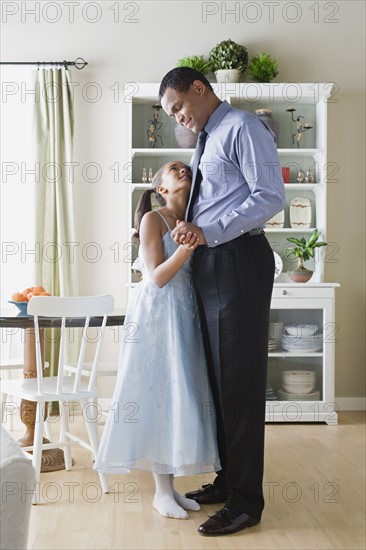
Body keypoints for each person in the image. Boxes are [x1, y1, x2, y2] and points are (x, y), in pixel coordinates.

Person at [159, 67, 286, 536]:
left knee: (240, 384)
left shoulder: (244, 128)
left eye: (178, 107)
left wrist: (208, 231)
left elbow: (270, 196)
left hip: (238, 261)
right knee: (217, 380)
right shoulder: (208, 136)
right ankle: (228, 480)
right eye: (171, 114)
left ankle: (246, 503)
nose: (179, 118)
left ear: (199, 88)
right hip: (211, 262)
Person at [94, 160, 220, 520]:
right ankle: (161, 491)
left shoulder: (193, 220)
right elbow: (157, 277)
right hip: (157, 313)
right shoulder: (153, 219)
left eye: (186, 168)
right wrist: (188, 247)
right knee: (158, 393)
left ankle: (171, 487)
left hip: (184, 313)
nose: (184, 170)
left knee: (180, 393)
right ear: (161, 188)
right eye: (174, 169)